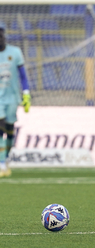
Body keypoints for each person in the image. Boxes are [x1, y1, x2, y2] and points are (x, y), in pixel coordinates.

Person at [0, 23, 31, 177]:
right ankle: (0, 164)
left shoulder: (15, 52)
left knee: (10, 131)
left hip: (13, 98)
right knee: (0, 127)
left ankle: (5, 160)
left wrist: (26, 93)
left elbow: (23, 76)